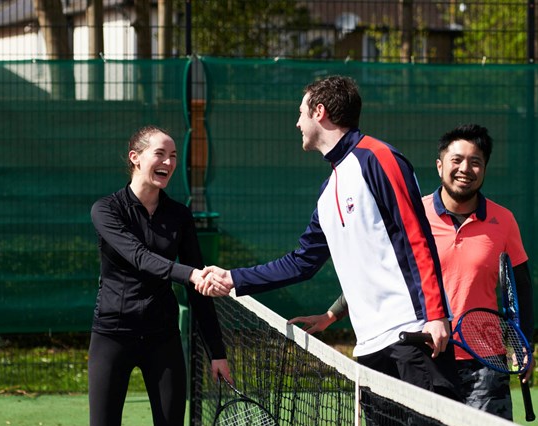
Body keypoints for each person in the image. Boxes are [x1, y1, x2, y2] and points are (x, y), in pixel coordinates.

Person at [197, 75, 462, 403]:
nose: (297, 123)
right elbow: (302, 262)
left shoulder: (378, 158)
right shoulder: (328, 192)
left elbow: (416, 238)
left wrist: (435, 315)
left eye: (301, 113)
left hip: (413, 334)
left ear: (319, 112)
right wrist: (232, 278)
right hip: (369, 349)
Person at [289, 124, 535, 421]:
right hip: (425, 356)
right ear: (440, 165)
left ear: (484, 169)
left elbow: (521, 286)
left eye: (475, 162)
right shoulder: (414, 213)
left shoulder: (504, 221)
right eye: (456, 160)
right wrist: (331, 315)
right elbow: (381, 274)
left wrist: (524, 345)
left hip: (484, 361)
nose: (465, 169)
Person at [88, 125, 231, 426]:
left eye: (174, 156)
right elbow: (138, 257)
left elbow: (200, 291)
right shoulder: (106, 210)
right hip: (112, 337)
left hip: (162, 340)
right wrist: (191, 274)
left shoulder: (179, 215)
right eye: (160, 153)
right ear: (135, 158)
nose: (168, 161)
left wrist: (217, 352)